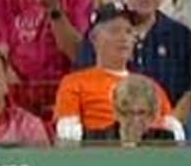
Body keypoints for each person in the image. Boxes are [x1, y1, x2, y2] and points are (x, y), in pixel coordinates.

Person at [53, 8, 178, 139]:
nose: (123, 37)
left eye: (129, 32)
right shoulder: (75, 83)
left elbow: (174, 131)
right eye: (114, 31)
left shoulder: (150, 86)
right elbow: (67, 133)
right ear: (94, 38)